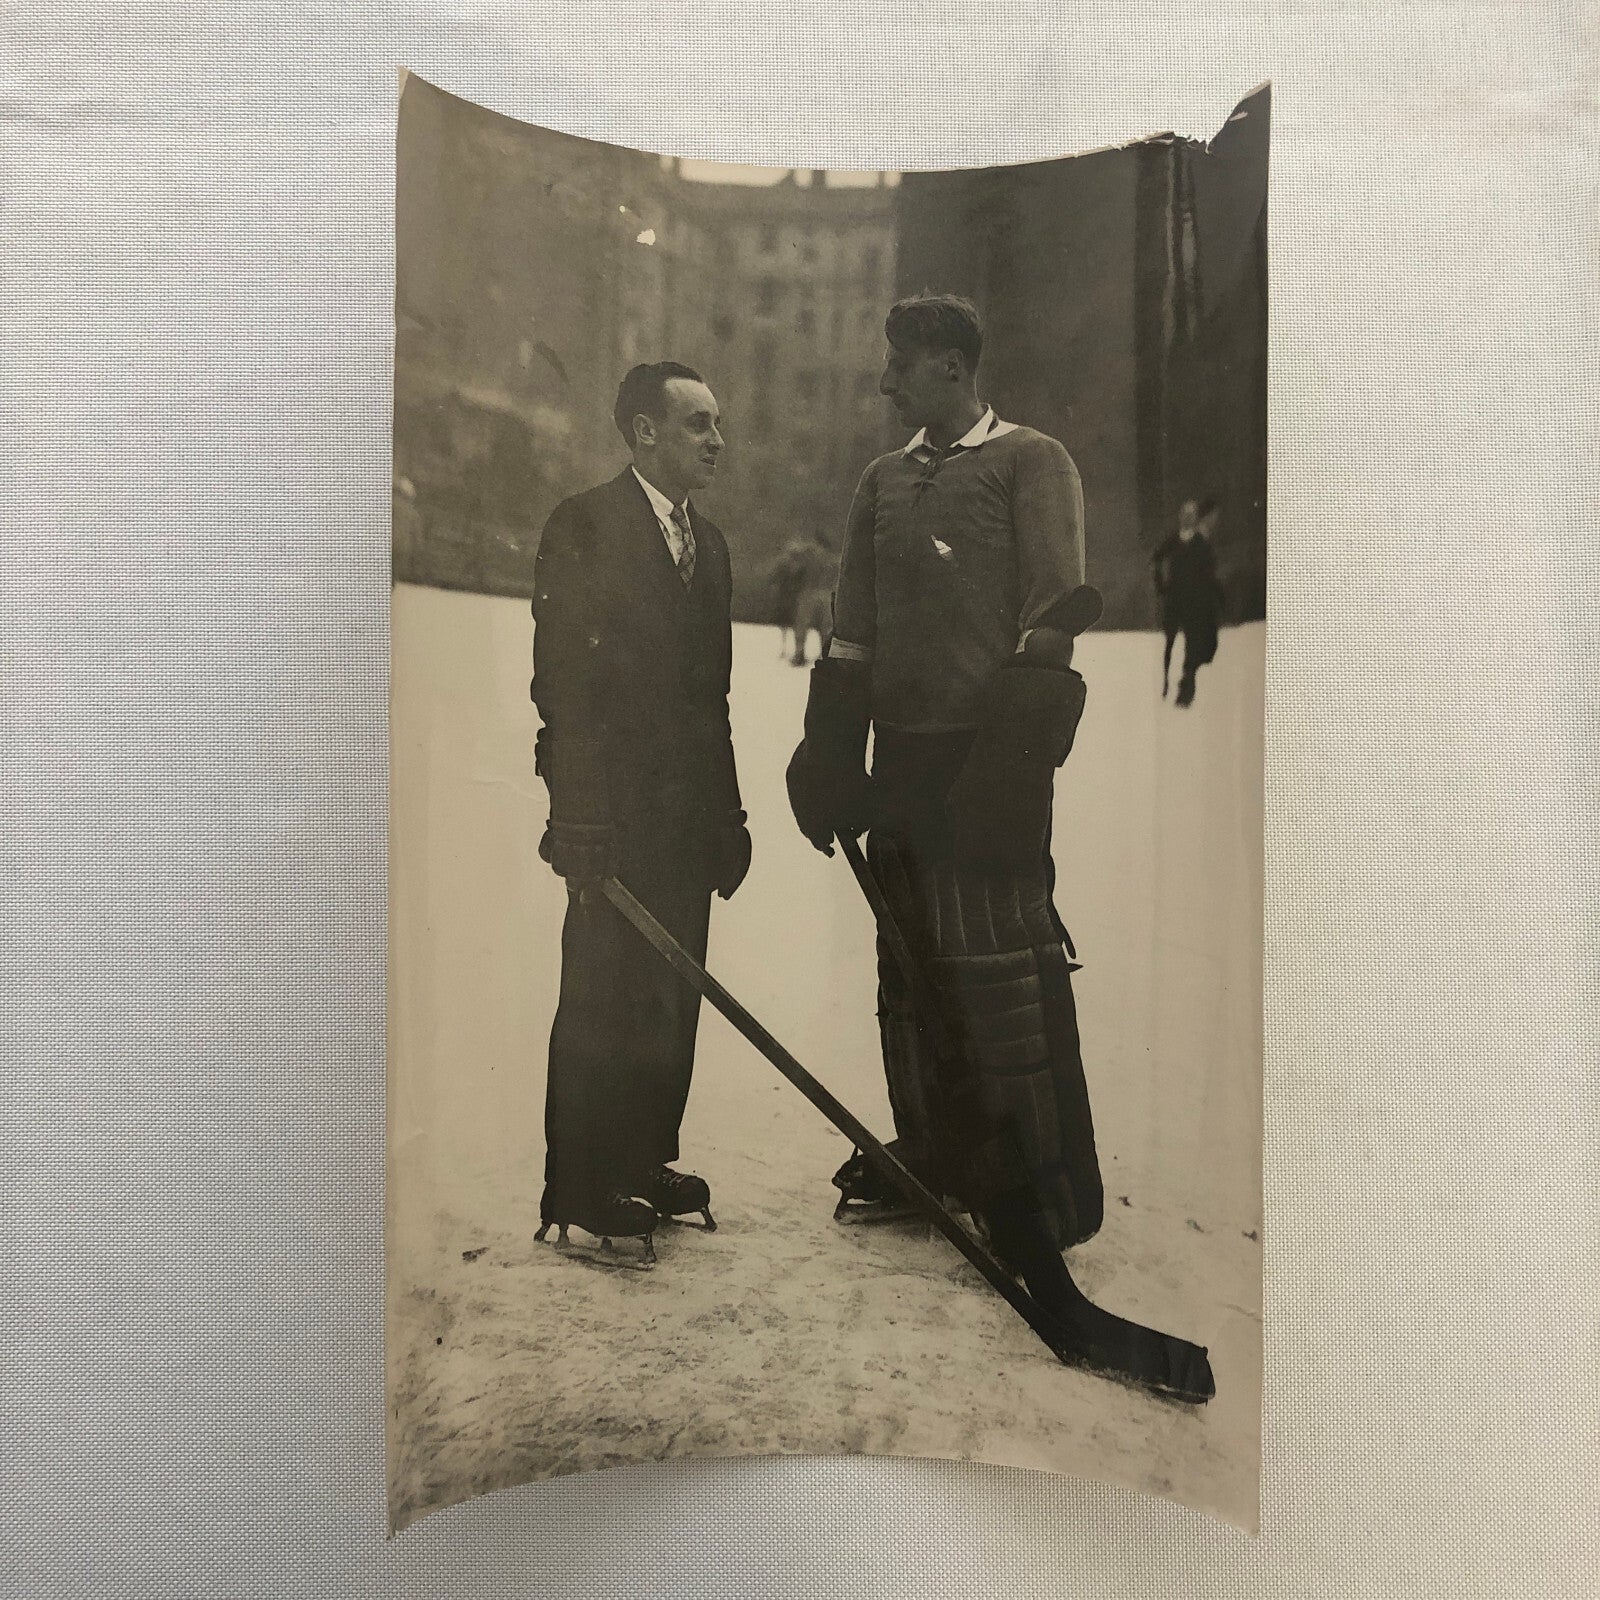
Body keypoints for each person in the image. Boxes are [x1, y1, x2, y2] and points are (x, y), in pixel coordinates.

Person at [785, 295, 1212, 1398]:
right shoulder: (883, 481)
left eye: (899, 368)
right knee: (904, 962)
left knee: (994, 962)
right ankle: (934, 1149)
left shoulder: (1033, 462)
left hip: (989, 764)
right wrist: (829, 745)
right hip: (901, 759)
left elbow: (1054, 613)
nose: (883, 386)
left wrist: (1012, 764)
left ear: (950, 365)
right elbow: (854, 625)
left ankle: (1041, 1181)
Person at [529, 361, 752, 1262]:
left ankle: (644, 1156)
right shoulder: (584, 525)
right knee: (602, 993)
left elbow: (714, 701)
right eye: (698, 423)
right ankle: (581, 1181)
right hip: (611, 818)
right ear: (644, 432)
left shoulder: (716, 547)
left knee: (670, 995)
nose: (717, 440)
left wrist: (728, 816)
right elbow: (564, 689)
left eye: (717, 422)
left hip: (687, 817)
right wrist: (578, 813)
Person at [1151, 496, 1224, 706]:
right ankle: (1165, 682)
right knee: (1169, 642)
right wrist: (1161, 587)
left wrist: (1214, 596)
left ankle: (1186, 688)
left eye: (1191, 516)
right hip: (1174, 601)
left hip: (1193, 603)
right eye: (1184, 515)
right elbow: (1156, 560)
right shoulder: (1173, 541)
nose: (1187, 519)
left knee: (1191, 645)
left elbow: (1210, 572)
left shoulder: (1201, 544)